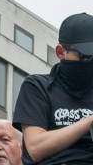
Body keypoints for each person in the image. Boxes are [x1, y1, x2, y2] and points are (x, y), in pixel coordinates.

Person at [13, 13, 93, 164]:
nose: (90, 61)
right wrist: (89, 122)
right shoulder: (37, 87)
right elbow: (36, 148)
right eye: (84, 56)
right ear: (60, 52)